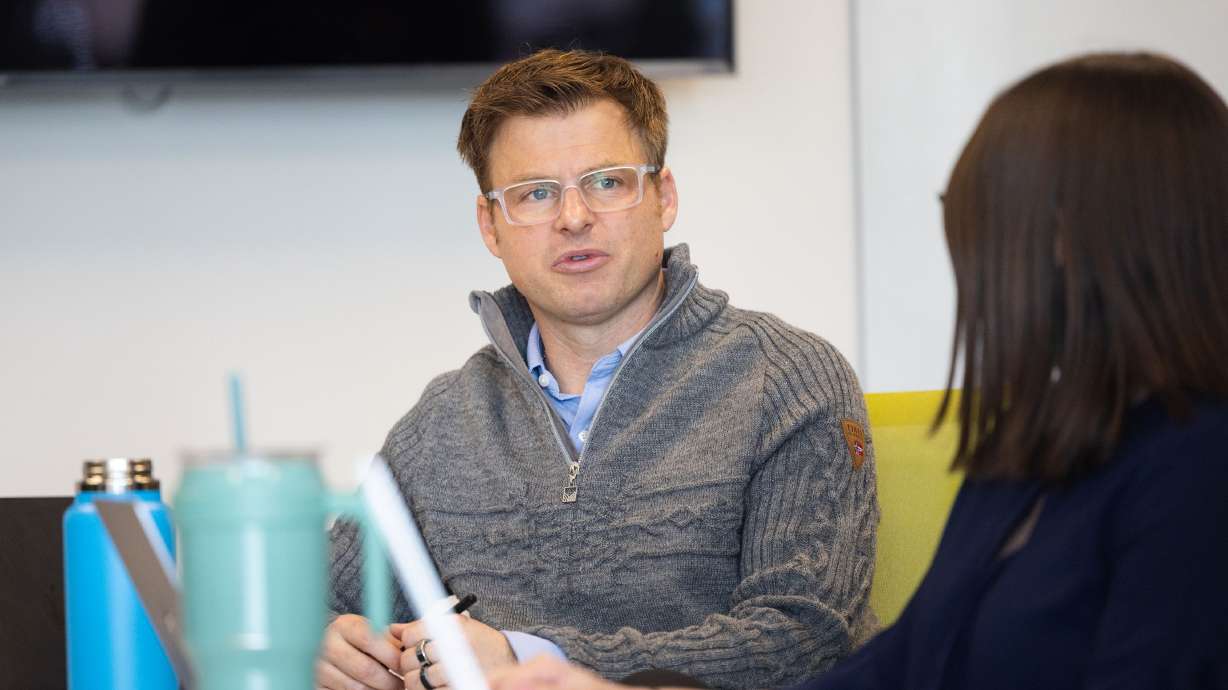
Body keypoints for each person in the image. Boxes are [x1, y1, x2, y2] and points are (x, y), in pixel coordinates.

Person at [484, 51, 1228, 690]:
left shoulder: (1197, 469)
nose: (968, 259)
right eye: (535, 195)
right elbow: (893, 672)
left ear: (1074, 238)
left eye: (979, 220)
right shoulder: (1026, 456)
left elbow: (807, 638)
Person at [317, 49, 879, 690]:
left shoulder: (788, 381)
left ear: (662, 197)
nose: (574, 217)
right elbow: (320, 602)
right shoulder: (441, 422)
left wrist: (531, 657)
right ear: (491, 226)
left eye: (608, 181)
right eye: (534, 194)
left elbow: (807, 637)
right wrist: (325, 644)